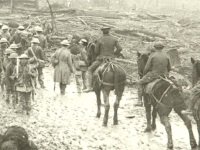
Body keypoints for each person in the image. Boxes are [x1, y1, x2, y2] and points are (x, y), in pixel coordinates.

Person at [83, 27, 122, 92]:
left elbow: (96, 52)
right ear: (109, 31)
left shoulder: (100, 39)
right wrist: (114, 54)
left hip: (101, 60)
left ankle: (89, 87)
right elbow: (120, 48)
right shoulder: (114, 39)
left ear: (102, 31)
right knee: (120, 70)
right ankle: (120, 85)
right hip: (112, 59)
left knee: (89, 70)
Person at [136, 41, 171, 106]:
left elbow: (146, 68)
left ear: (155, 48)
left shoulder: (152, 55)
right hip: (164, 76)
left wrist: (145, 74)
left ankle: (139, 101)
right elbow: (169, 68)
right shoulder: (167, 55)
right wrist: (165, 74)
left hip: (153, 75)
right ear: (162, 48)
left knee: (139, 83)